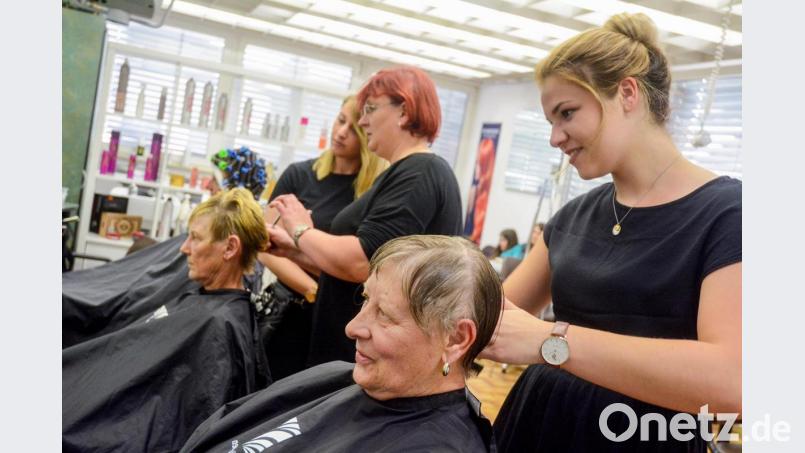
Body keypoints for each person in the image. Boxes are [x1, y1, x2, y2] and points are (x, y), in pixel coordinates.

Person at [483, 13, 741, 452]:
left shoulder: (728, 214)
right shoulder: (573, 217)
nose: (554, 137)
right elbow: (491, 317)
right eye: (550, 120)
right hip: (539, 425)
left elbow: (731, 379)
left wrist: (552, 340)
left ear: (627, 92)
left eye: (567, 113)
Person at [180, 235, 501, 452]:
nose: (353, 327)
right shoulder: (337, 375)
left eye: (385, 315)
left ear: (456, 339)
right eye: (365, 300)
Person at [266, 66, 463, 367]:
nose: (362, 120)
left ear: (405, 111)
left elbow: (362, 262)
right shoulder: (404, 173)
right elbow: (360, 272)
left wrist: (301, 231)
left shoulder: (419, 173)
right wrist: (296, 251)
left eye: (370, 109)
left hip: (377, 358)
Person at [63, 188, 271, 453]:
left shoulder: (220, 327)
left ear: (230, 247)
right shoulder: (207, 304)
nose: (184, 248)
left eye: (195, 238)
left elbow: (182, 426)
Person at [258, 95, 387, 380]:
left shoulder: (371, 194)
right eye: (340, 120)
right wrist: (311, 289)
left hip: (339, 319)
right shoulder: (298, 176)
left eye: (353, 128)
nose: (341, 132)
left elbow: (359, 266)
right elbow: (264, 245)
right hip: (290, 312)